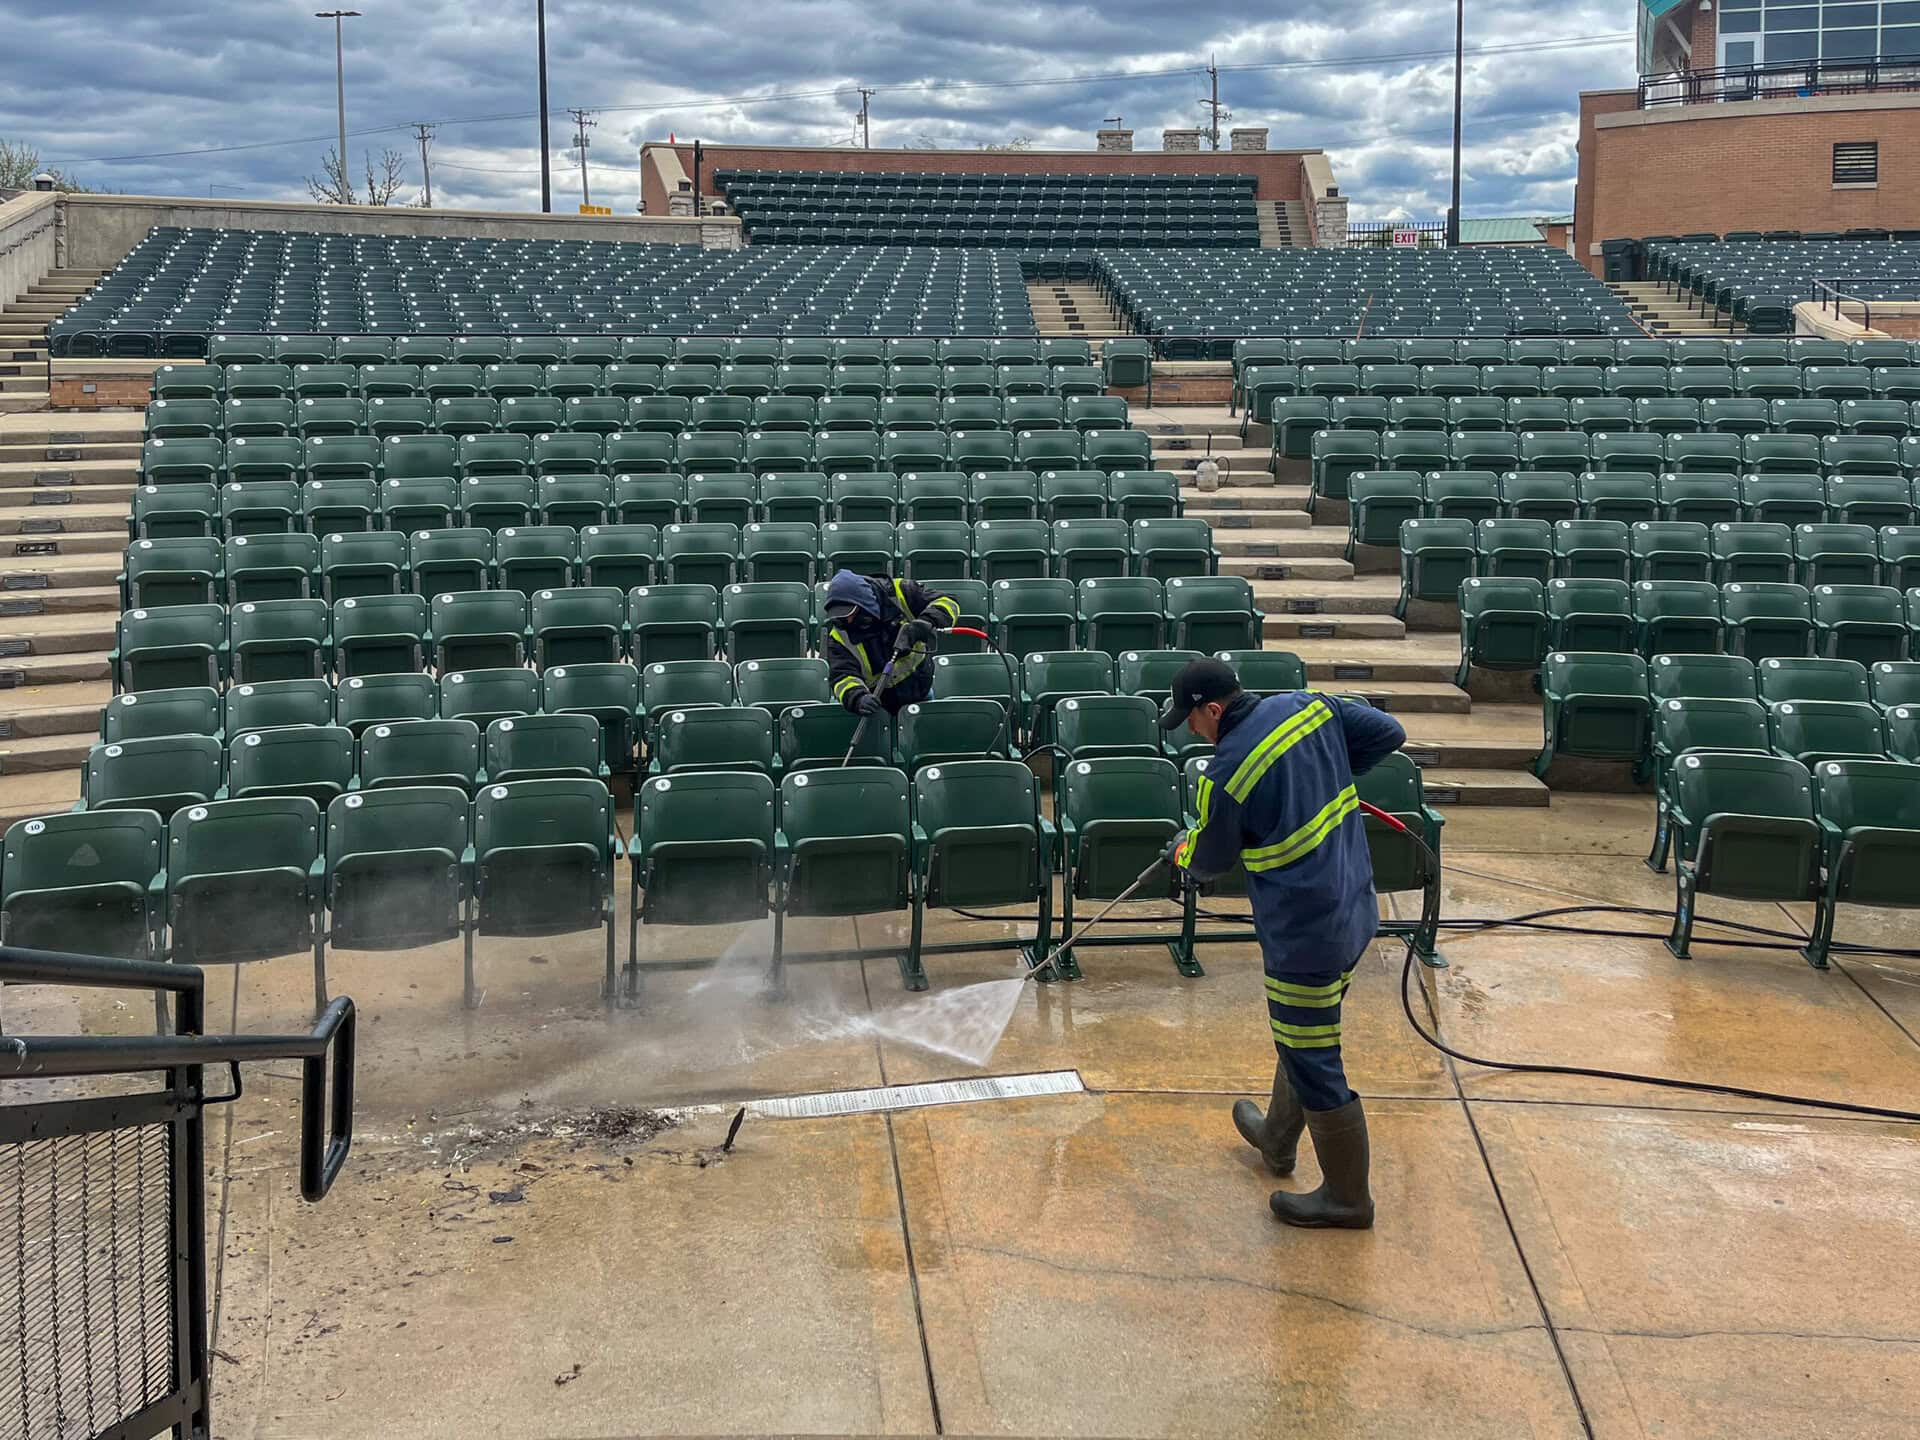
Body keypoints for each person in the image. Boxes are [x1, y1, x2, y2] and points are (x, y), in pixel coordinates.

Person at [1159, 658, 1406, 1230]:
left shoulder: (1228, 773)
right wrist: (1332, 771)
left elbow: (1211, 861)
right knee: (1303, 1034)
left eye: (1191, 719)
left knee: (1314, 1056)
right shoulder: (1308, 706)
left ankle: (1348, 1198)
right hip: (1353, 907)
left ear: (1213, 709)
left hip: (1305, 933)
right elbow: (1389, 733)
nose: (1191, 730)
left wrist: (1180, 850)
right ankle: (1276, 1138)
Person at [822, 568, 961, 717]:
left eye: (851, 613)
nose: (848, 620)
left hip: (920, 693)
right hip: (879, 709)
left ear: (864, 601)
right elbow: (842, 677)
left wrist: (925, 623)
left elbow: (948, 601)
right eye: (842, 616)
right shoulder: (839, 637)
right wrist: (858, 698)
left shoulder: (901, 591)